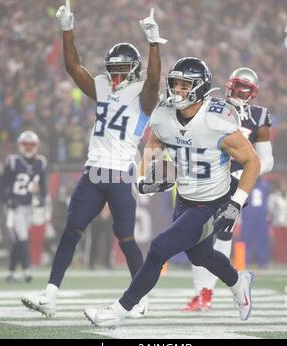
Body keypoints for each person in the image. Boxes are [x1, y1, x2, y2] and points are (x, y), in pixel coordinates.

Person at [84, 57, 260, 327]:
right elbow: (155, 142)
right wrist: (144, 177)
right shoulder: (165, 115)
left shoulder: (216, 119)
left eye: (183, 85)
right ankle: (239, 282)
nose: (176, 90)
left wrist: (236, 204)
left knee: (158, 248)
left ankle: (118, 311)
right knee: (200, 256)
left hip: (214, 201)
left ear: (200, 88)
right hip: (186, 197)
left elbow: (252, 162)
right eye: (174, 83)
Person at [21, 5, 166, 317]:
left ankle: (141, 298)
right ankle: (50, 295)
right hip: (93, 171)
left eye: (120, 69)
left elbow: (154, 81)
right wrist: (66, 29)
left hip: (119, 175)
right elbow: (74, 67)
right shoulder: (102, 85)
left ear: (134, 70)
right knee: (71, 230)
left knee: (125, 237)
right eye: (111, 68)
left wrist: (154, 43)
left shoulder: (144, 92)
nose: (114, 74)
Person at [183, 67, 274, 312]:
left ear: (252, 93)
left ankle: (207, 293)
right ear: (229, 85)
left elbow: (267, 160)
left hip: (234, 183)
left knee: (223, 232)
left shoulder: (259, 115)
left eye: (245, 89)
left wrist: (241, 174)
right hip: (208, 179)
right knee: (196, 234)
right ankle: (201, 294)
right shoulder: (213, 107)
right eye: (237, 87)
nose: (239, 92)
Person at [0, 131, 47, 283]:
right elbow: (2, 185)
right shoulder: (13, 161)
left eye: (31, 144)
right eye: (25, 144)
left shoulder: (41, 162)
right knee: (23, 238)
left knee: (17, 241)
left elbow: (43, 187)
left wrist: (41, 198)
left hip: (29, 207)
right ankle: (27, 271)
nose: (28, 148)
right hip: (15, 207)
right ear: (20, 145)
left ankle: (10, 273)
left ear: (36, 146)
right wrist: (8, 200)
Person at [268, 179, 287, 265]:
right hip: (277, 223)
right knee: (278, 243)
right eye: (282, 185)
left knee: (286, 242)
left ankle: (284, 260)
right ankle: (278, 260)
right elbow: (270, 210)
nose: (283, 187)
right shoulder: (274, 196)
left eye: (285, 185)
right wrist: (270, 223)